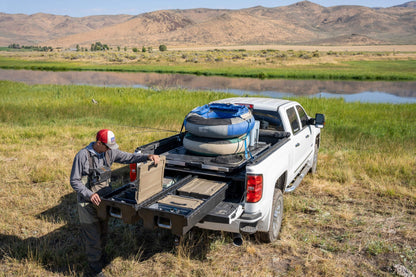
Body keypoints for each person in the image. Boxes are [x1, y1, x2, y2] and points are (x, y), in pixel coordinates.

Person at [70, 129, 159, 276]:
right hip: (87, 204)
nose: (110, 150)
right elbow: (74, 181)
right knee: (93, 237)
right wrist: (89, 194)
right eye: (107, 147)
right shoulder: (82, 156)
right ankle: (94, 270)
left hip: (104, 202)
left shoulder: (109, 152)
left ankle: (100, 259)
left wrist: (147, 157)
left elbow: (128, 157)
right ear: (98, 143)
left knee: (103, 233)